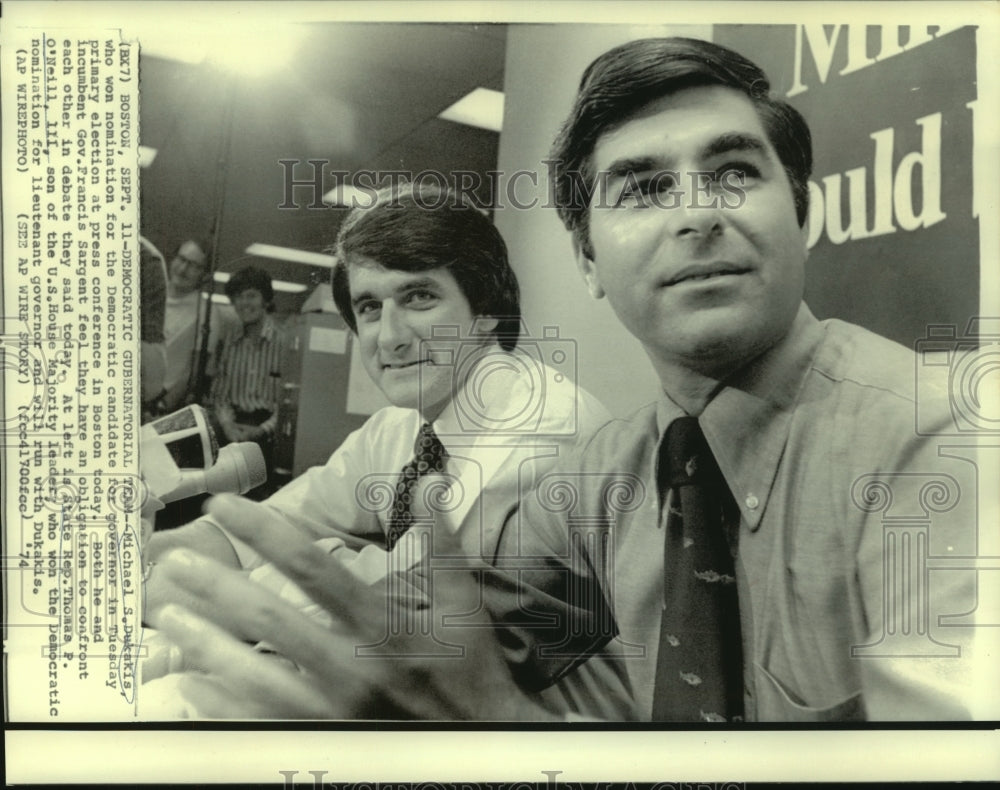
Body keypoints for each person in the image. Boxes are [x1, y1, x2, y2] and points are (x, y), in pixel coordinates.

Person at [145, 38, 981, 721]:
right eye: (645, 188)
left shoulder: (948, 442)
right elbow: (466, 630)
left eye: (734, 173)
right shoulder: (606, 481)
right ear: (587, 261)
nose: (697, 213)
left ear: (805, 214)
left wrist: (497, 728)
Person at [142, 184, 629, 719]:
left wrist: (310, 562)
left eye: (419, 297)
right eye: (370, 307)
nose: (389, 337)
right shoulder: (402, 424)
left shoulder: (543, 428)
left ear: (486, 309)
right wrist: (159, 560)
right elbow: (274, 523)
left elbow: (397, 626)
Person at [159, 238, 240, 413]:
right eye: (182, 260)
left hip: (159, 406)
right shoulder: (150, 296)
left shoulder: (207, 314)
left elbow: (194, 373)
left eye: (194, 266)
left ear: (204, 275)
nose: (183, 269)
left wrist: (163, 406)